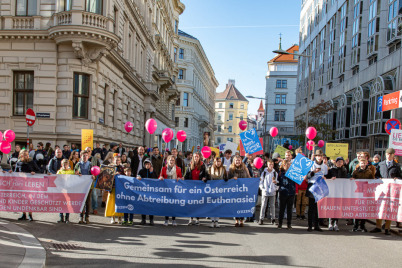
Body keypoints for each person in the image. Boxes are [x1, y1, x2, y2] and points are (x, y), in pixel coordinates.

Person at [371, 148, 402, 235]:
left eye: (390, 154)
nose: (388, 156)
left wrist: (397, 178)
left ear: (393, 155)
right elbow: (376, 175)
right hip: (382, 190)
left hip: (392, 191)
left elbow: (400, 176)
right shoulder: (380, 164)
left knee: (390, 208)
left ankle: (387, 228)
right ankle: (378, 226)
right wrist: (378, 179)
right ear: (385, 155)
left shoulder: (397, 166)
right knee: (380, 207)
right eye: (387, 154)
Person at [14, 149, 40, 221]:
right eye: (25, 155)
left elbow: (38, 170)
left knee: (29, 200)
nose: (27, 156)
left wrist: (33, 172)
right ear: (21, 155)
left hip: (30, 184)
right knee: (22, 200)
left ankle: (30, 215)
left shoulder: (31, 162)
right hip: (21, 184)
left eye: (27, 154)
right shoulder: (18, 162)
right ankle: (24, 214)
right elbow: (15, 172)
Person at [305, 149, 328, 232]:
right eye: (318, 156)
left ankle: (316, 225)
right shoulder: (312, 164)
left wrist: (326, 178)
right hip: (312, 185)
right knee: (311, 207)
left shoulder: (325, 166)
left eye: (321, 156)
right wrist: (313, 172)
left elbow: (326, 175)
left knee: (318, 207)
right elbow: (307, 176)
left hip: (320, 186)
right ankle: (310, 225)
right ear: (316, 157)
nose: (319, 157)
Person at [325, 157, 348, 231]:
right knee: (332, 206)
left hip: (340, 191)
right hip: (332, 191)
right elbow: (327, 178)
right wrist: (331, 179)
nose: (340, 163)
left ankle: (336, 223)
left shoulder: (344, 170)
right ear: (336, 162)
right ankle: (330, 223)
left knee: (338, 207)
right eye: (338, 162)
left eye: (341, 162)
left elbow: (345, 179)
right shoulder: (331, 170)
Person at [351, 158, 374, 232]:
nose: (363, 165)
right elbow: (353, 179)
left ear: (366, 163)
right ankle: (355, 225)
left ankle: (362, 225)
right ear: (359, 164)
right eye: (361, 163)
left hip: (365, 193)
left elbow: (372, 180)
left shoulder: (369, 172)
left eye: (364, 163)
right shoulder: (356, 171)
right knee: (357, 209)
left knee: (364, 210)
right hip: (357, 193)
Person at [159, 155, 183, 226]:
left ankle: (173, 219)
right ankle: (166, 220)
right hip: (166, 190)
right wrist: (160, 177)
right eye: (170, 160)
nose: (171, 161)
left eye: (172, 160)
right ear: (167, 161)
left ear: (174, 161)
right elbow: (160, 176)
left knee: (173, 205)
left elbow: (180, 177)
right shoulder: (163, 168)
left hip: (174, 190)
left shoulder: (178, 169)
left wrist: (180, 178)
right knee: (166, 205)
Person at [227, 155, 251, 227]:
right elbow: (228, 179)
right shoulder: (231, 169)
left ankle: (242, 220)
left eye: (239, 160)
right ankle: (236, 220)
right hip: (235, 190)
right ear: (234, 161)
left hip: (243, 189)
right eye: (236, 160)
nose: (237, 162)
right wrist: (232, 178)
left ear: (241, 161)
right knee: (236, 206)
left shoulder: (245, 168)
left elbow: (249, 177)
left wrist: (255, 180)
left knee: (242, 205)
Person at [185, 152, 208, 225]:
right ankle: (191, 218)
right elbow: (186, 175)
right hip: (191, 187)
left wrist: (205, 178)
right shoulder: (190, 165)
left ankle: (197, 219)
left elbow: (206, 175)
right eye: (195, 157)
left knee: (198, 203)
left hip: (199, 187)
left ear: (199, 157)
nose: (196, 158)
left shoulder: (203, 165)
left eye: (197, 157)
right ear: (193, 157)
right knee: (191, 203)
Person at [207, 157, 228, 228]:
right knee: (212, 206)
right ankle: (212, 221)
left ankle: (217, 221)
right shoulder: (210, 168)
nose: (218, 163)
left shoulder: (223, 169)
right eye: (216, 161)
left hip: (220, 190)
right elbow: (208, 178)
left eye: (219, 161)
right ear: (214, 162)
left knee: (218, 206)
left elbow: (226, 178)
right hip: (212, 190)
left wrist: (226, 179)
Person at [136, 159, 158, 225]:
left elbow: (155, 179)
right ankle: (143, 219)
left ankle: (151, 220)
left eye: (148, 164)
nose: (147, 165)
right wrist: (138, 177)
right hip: (143, 191)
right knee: (143, 205)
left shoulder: (153, 171)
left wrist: (151, 173)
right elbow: (138, 176)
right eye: (146, 164)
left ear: (150, 165)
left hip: (151, 191)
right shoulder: (141, 171)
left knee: (150, 206)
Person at [74, 150, 94, 224]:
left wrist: (93, 176)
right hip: (81, 186)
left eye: (86, 155)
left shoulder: (90, 164)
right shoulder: (78, 164)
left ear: (88, 157)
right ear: (81, 156)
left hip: (89, 185)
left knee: (87, 201)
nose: (85, 157)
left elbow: (94, 173)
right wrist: (77, 174)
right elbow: (75, 172)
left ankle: (87, 217)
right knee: (81, 201)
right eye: (83, 155)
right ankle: (80, 216)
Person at [277, 154, 295, 230]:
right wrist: (275, 181)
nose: (288, 166)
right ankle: (280, 223)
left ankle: (289, 224)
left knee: (289, 209)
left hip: (291, 193)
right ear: (284, 165)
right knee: (282, 208)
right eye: (287, 165)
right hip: (283, 192)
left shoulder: (293, 173)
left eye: (289, 165)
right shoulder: (281, 173)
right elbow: (278, 182)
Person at [258, 159, 278, 225]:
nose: (271, 166)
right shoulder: (264, 172)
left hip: (272, 191)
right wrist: (262, 188)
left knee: (272, 205)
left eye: (272, 164)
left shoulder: (275, 173)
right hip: (265, 191)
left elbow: (277, 182)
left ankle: (273, 219)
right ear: (267, 164)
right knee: (263, 205)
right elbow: (261, 181)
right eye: (270, 164)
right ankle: (261, 218)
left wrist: (275, 187)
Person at [56, 159, 76, 223]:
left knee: (68, 203)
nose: (65, 165)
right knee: (61, 203)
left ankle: (67, 218)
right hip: (61, 190)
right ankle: (61, 217)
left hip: (68, 190)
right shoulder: (59, 172)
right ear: (61, 165)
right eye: (63, 164)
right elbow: (56, 179)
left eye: (66, 164)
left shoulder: (72, 172)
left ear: (68, 165)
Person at [106, 156, 124, 224]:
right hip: (112, 187)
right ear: (114, 161)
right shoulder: (111, 168)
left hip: (119, 188)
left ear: (120, 161)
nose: (117, 161)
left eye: (118, 160)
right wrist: (113, 174)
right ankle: (112, 217)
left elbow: (124, 176)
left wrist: (120, 174)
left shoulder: (121, 168)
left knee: (119, 202)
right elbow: (106, 176)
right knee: (112, 203)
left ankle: (120, 217)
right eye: (116, 160)